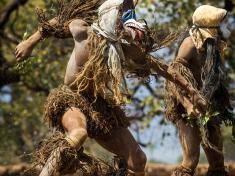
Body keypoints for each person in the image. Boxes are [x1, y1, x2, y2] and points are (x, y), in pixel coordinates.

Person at [16, 0, 205, 175]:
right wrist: (29, 43)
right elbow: (55, 23)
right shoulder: (81, 29)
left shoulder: (127, 47)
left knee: (138, 160)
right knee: (79, 133)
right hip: (72, 99)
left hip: (100, 107)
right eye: (120, 14)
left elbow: (164, 69)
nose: (123, 19)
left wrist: (192, 92)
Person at [165, 5, 234, 176]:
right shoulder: (189, 43)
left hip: (206, 107)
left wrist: (216, 102)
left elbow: (214, 79)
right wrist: (188, 104)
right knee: (190, 161)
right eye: (217, 26)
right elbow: (172, 76)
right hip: (185, 108)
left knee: (218, 163)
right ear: (209, 27)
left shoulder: (214, 46)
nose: (220, 29)